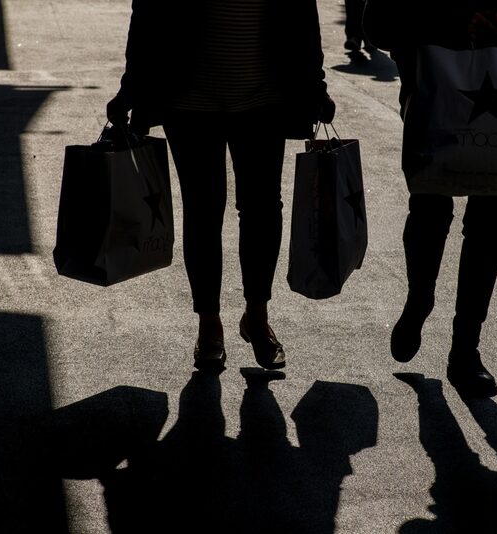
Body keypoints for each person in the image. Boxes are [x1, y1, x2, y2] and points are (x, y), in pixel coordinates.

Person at [107, 0, 335, 372]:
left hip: (264, 99)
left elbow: (302, 20)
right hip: (189, 100)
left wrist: (315, 88)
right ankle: (209, 324)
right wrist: (131, 90)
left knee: (262, 208)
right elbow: (149, 14)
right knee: (202, 210)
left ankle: (256, 316)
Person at [363, 1, 497, 397]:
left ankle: (466, 345)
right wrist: (447, 22)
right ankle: (420, 297)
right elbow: (378, 23)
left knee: (488, 214)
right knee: (429, 202)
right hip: (432, 78)